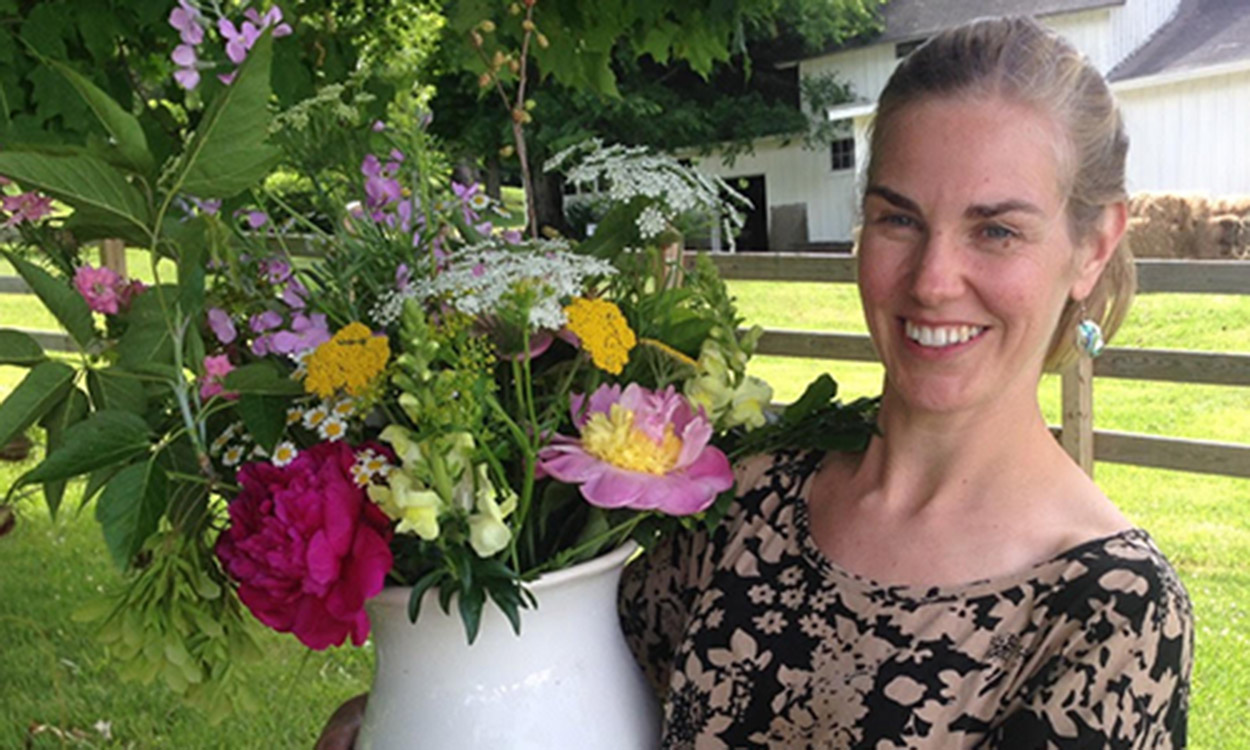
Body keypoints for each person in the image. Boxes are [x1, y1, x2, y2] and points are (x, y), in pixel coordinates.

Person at [317, 16, 1192, 749]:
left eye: (996, 231)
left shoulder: (1110, 614)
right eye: (898, 218)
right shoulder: (743, 497)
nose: (932, 280)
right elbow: (573, 703)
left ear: (1094, 245)